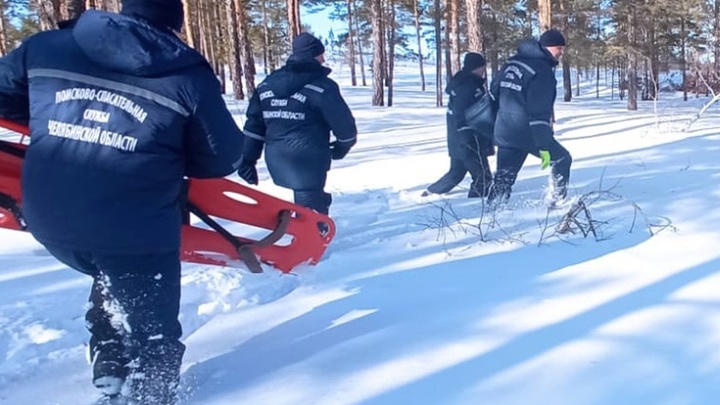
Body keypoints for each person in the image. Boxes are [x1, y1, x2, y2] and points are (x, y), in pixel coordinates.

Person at [0, 1, 244, 404]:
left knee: (107, 266)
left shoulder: (46, 47)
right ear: (173, 23)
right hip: (136, 230)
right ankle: (149, 394)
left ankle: (110, 359)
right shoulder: (185, 75)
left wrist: (63, 124)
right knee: (154, 333)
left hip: (49, 219)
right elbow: (222, 158)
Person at [238, 32, 357, 215]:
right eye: (321, 54)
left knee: (309, 197)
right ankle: (314, 232)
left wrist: (247, 159)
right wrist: (342, 147)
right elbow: (345, 126)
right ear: (313, 55)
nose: (323, 59)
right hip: (309, 161)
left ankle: (317, 208)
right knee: (310, 212)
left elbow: (254, 125)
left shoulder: (266, 85)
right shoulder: (322, 87)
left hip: (277, 159)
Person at [487, 28, 572, 207]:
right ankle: (557, 202)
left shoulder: (511, 64)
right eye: (559, 48)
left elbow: (494, 93)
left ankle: (492, 212)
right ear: (548, 47)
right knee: (562, 158)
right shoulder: (541, 71)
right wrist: (543, 142)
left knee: (504, 176)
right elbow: (539, 110)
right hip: (527, 132)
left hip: (505, 130)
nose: (561, 53)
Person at [423, 52, 494, 198]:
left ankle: (430, 192)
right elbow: (460, 114)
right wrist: (467, 136)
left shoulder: (467, 83)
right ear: (475, 68)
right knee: (483, 178)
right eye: (482, 67)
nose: (483, 70)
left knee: (457, 172)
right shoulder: (467, 87)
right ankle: (477, 207)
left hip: (460, 139)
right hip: (468, 139)